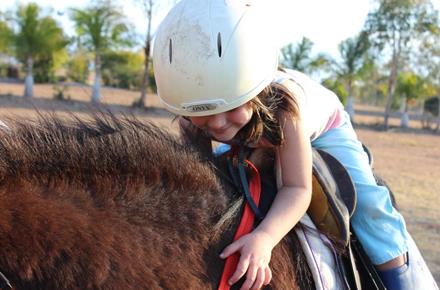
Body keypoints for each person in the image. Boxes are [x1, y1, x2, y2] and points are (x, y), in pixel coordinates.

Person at [152, 0, 438, 289]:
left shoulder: (286, 112)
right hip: (252, 134)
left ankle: (406, 280)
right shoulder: (193, 111)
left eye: (230, 108)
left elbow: (297, 188)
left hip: (324, 128)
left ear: (256, 91)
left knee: (368, 206)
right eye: (203, 116)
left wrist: (264, 238)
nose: (217, 125)